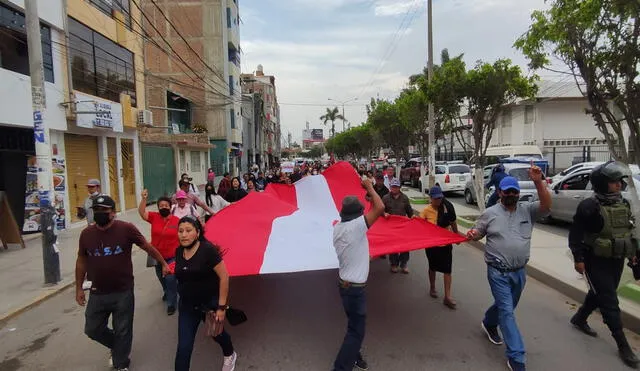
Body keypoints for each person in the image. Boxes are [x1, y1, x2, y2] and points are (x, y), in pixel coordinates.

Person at [466, 166, 551, 371]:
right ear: (499, 193)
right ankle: (516, 356)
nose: (511, 194)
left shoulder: (527, 210)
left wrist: (539, 182)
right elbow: (478, 232)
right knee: (507, 311)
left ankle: (488, 322)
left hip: (519, 272)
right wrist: (473, 234)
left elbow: (547, 206)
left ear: (518, 193)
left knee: (507, 307)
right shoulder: (490, 213)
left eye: (515, 191)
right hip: (497, 272)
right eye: (507, 191)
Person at [75, 195, 169, 371]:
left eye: (104, 210)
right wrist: (78, 287)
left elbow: (147, 247)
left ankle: (121, 364)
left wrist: (163, 263)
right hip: (98, 292)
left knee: (123, 329)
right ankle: (118, 346)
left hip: (123, 291)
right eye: (96, 210)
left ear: (113, 212)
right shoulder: (86, 234)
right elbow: (81, 259)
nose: (100, 213)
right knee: (92, 329)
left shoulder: (126, 229)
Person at [568, 161, 639, 368]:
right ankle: (622, 343)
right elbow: (576, 234)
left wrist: (634, 255)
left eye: (619, 181)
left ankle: (580, 318)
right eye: (613, 182)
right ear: (601, 183)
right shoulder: (589, 207)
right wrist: (578, 259)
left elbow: (628, 231)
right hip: (595, 261)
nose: (619, 185)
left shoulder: (623, 204)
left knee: (600, 293)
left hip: (616, 260)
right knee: (609, 300)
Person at [332, 178, 385, 371]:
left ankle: (355, 356)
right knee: (357, 332)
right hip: (355, 290)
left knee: (353, 326)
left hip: (344, 286)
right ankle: (340, 367)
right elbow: (379, 208)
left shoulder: (339, 227)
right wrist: (370, 187)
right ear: (356, 216)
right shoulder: (356, 227)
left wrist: (369, 195)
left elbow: (372, 208)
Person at [174, 216, 237, 371]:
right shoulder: (178, 251)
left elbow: (224, 276)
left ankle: (230, 354)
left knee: (217, 335)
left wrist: (221, 307)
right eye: (180, 231)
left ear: (197, 232)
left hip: (209, 305)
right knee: (184, 348)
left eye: (188, 230)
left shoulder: (207, 250)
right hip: (187, 307)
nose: (184, 234)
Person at [138, 190, 180, 315]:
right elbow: (141, 212)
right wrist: (144, 199)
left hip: (172, 256)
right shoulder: (154, 217)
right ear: (158, 208)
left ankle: (172, 303)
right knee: (161, 278)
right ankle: (167, 292)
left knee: (170, 279)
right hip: (156, 256)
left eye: (166, 206)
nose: (164, 208)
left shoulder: (177, 221)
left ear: (170, 207)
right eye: (161, 206)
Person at [418, 186, 459, 309]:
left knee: (447, 270)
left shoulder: (447, 208)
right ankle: (432, 287)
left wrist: (456, 236)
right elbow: (418, 225)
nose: (438, 200)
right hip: (432, 246)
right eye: (435, 198)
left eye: (440, 198)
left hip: (445, 244)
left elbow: (453, 221)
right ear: (430, 198)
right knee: (433, 267)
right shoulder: (426, 210)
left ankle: (447, 297)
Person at [383, 178, 413, 273]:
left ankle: (403, 264)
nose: (394, 189)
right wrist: (384, 214)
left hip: (403, 226)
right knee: (393, 245)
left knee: (405, 246)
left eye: (396, 187)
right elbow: (380, 210)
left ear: (400, 187)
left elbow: (409, 211)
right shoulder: (385, 198)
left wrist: (412, 217)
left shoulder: (404, 198)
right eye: (393, 187)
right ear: (390, 187)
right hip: (390, 226)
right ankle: (394, 264)